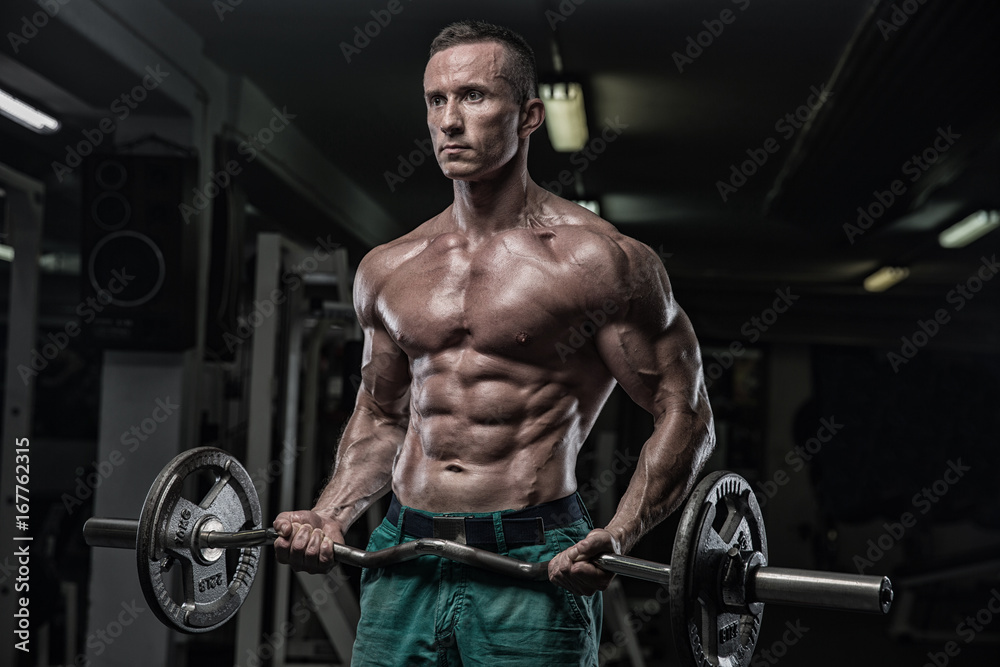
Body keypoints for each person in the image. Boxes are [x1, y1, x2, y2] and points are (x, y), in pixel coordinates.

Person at [273, 20, 715, 666]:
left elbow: (686, 412)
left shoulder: (598, 262)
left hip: (534, 560)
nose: (449, 121)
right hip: (404, 554)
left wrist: (617, 535)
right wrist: (329, 511)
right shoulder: (389, 270)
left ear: (530, 114)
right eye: (435, 101)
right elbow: (381, 414)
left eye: (474, 97)